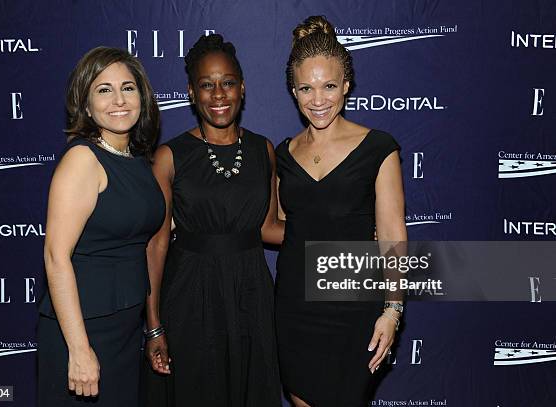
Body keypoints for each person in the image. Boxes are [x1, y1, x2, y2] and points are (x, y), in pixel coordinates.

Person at [274, 16, 407, 407]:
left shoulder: (379, 148)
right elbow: (282, 225)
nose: (318, 99)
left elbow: (392, 234)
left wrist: (393, 310)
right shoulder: (284, 154)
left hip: (354, 308)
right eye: (306, 88)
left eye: (329, 86)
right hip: (295, 306)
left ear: (346, 86)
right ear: (293, 91)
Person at [144, 34, 282, 406]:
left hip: (251, 292)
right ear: (191, 92)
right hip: (191, 294)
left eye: (228, 83)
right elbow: (156, 244)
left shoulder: (262, 150)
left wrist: (341, 233)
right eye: (207, 85)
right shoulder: (170, 157)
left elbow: (270, 227)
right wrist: (153, 324)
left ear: (243, 88)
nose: (218, 94)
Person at [37, 47, 165, 406]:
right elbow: (55, 257)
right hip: (83, 331)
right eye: (104, 89)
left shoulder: (136, 158)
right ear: (86, 104)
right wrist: (78, 351)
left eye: (128, 87)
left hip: (124, 328)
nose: (119, 100)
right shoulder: (83, 159)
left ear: (142, 96)